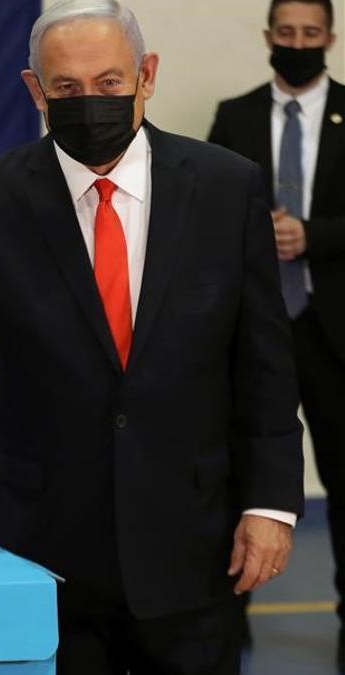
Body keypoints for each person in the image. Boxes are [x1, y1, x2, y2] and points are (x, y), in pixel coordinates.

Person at [0, 1, 303, 672]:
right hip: (48, 551)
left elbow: (265, 361)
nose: (89, 101)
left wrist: (272, 501)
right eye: (67, 89)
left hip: (196, 543)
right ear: (34, 89)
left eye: (108, 83)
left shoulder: (225, 187)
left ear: (147, 75)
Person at [207, 0, 344, 663]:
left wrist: (312, 236)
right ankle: (230, 622)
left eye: (309, 34)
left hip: (333, 331)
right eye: (285, 33)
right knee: (239, 479)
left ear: (331, 39)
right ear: (268, 37)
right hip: (254, 332)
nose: (297, 44)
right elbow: (206, 212)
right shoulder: (234, 116)